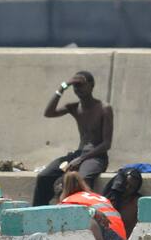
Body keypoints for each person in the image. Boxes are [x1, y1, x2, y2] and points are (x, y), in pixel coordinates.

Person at [32, 71, 113, 206]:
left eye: (81, 85)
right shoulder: (74, 107)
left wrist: (81, 159)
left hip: (96, 156)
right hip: (78, 154)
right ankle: (36, 215)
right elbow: (48, 113)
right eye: (75, 86)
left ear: (91, 85)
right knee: (44, 176)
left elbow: (106, 144)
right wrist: (63, 86)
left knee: (82, 179)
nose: (78, 89)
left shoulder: (104, 108)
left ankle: (83, 218)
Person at [103, 168, 144, 238]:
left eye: (132, 187)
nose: (127, 188)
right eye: (125, 184)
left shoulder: (136, 203)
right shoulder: (109, 198)